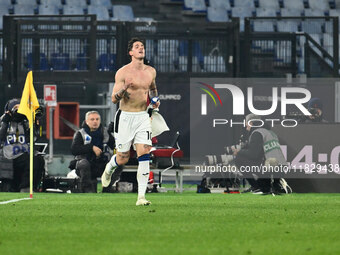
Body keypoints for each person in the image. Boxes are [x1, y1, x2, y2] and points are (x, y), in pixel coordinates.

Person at [101, 37, 160, 206]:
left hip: (143, 116)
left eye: (142, 46)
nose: (141, 48)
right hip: (125, 117)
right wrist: (123, 90)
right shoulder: (123, 72)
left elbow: (153, 88)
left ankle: (141, 197)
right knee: (123, 158)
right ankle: (109, 168)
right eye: (137, 46)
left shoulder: (151, 71)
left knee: (144, 153)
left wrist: (155, 99)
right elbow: (113, 98)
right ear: (131, 52)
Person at [234, 114, 291, 194]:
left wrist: (239, 152)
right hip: (280, 167)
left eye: (247, 125)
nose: (247, 128)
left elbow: (253, 155)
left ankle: (256, 186)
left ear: (251, 123)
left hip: (269, 167)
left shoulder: (257, 133)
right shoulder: (270, 132)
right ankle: (274, 183)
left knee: (239, 159)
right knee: (266, 188)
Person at [70, 111, 122, 193]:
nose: (95, 121)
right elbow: (74, 150)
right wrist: (91, 147)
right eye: (92, 119)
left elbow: (115, 146)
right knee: (83, 163)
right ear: (87, 121)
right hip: (85, 164)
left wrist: (116, 133)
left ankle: (107, 188)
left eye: (97, 119)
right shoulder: (80, 133)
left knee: (118, 163)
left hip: (102, 163)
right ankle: (88, 190)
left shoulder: (105, 132)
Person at [0, 98, 44, 192]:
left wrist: (35, 122)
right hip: (6, 156)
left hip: (22, 155)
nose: (18, 111)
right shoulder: (3, 121)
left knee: (37, 159)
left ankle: (26, 187)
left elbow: (35, 138)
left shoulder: (25, 122)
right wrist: (5, 123)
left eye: (21, 108)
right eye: (16, 108)